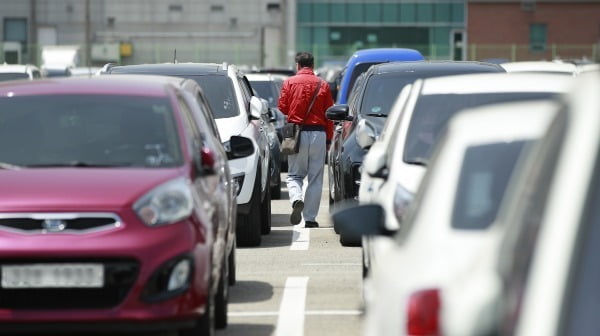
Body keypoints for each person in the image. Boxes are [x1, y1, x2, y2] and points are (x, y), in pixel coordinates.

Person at [278, 52, 334, 228]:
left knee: (294, 174)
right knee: (315, 178)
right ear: (312, 65)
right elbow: (329, 114)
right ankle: (310, 219)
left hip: (296, 134)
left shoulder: (289, 82)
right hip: (319, 132)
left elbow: (282, 107)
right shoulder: (322, 84)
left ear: (297, 65)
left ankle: (296, 200)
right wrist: (329, 139)